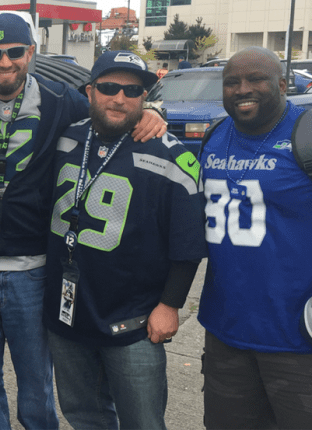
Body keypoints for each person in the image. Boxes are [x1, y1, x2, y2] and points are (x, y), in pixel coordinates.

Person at [0, 14, 167, 429]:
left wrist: (150, 113)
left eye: (15, 52)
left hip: (35, 269)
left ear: (31, 53)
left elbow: (113, 109)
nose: (5, 62)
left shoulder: (64, 101)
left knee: (37, 382)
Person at [43, 51, 206, 429]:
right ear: (90, 91)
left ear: (144, 97)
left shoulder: (172, 157)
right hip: (68, 313)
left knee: (143, 423)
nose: (120, 97)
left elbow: (188, 242)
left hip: (133, 320)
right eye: (109, 87)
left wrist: (170, 305)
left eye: (133, 90)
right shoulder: (67, 137)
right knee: (84, 416)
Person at [198, 46, 312, 429]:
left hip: (297, 339)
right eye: (232, 82)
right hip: (226, 331)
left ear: (282, 84)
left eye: (256, 79)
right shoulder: (214, 135)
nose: (242, 89)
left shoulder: (306, 134)